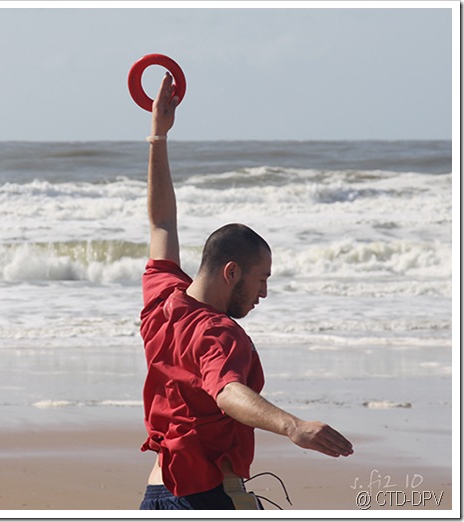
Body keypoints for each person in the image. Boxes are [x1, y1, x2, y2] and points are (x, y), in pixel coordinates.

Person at [138, 73, 354, 510]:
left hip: (156, 495)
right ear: (232, 272)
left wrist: (158, 135)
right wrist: (292, 426)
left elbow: (161, 223)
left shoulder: (161, 299)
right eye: (262, 279)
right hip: (205, 498)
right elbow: (227, 392)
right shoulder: (219, 333)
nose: (265, 293)